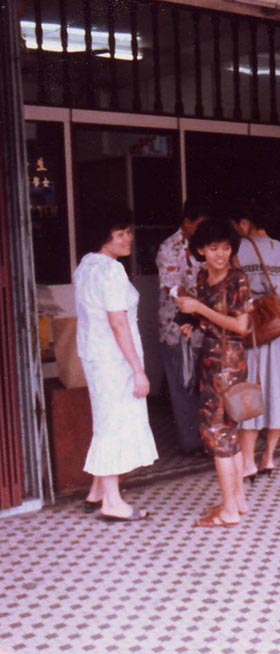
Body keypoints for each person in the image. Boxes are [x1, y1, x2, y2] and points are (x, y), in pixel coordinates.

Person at [75, 207, 157, 521]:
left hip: (97, 357)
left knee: (108, 418)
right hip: (115, 359)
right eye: (120, 233)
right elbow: (118, 322)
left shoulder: (86, 265)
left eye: (129, 232)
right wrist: (138, 370)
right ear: (104, 237)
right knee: (113, 425)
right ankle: (112, 501)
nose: (129, 239)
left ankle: (97, 491)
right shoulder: (110, 270)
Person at [175, 218, 252, 527]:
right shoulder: (203, 278)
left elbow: (240, 327)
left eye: (226, 248)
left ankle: (229, 510)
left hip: (227, 363)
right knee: (228, 433)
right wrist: (190, 322)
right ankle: (239, 502)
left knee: (218, 433)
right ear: (200, 250)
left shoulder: (238, 280)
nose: (221, 254)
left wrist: (199, 310)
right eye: (213, 248)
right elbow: (203, 318)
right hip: (209, 360)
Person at [233, 212, 280, 481]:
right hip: (277, 330)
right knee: (277, 393)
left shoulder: (239, 249)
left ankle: (248, 462)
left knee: (249, 393)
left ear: (245, 222)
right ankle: (269, 458)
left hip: (252, 331)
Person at [157, 197, 211, 455]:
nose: (202, 230)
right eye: (198, 224)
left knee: (203, 384)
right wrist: (195, 303)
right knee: (182, 386)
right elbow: (171, 286)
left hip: (204, 327)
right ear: (187, 221)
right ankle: (191, 444)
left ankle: (209, 439)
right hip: (176, 329)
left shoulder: (206, 247)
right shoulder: (169, 247)